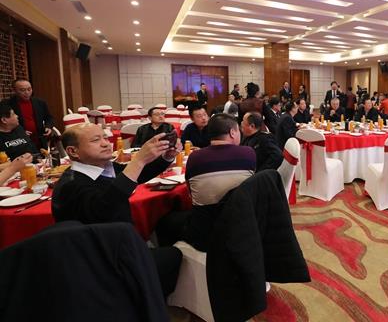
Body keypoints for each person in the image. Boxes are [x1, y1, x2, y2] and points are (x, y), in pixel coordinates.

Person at [52, 123, 183, 296]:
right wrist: (139, 160)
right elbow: (106, 207)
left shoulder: (104, 168)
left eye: (105, 138)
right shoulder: (71, 184)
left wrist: (166, 157)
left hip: (118, 244)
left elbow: (138, 174)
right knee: (174, 255)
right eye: (96, 140)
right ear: (73, 151)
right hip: (102, 258)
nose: (106, 143)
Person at [184, 113, 256, 252]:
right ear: (232, 132)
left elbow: (190, 194)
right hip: (240, 228)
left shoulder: (194, 158)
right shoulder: (248, 153)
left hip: (205, 234)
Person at [1, 79, 54, 150]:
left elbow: (49, 118)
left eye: (29, 89)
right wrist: (20, 132)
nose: (27, 92)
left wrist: (48, 127)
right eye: (22, 90)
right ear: (14, 91)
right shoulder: (6, 104)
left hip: (40, 139)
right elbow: (4, 125)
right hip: (20, 142)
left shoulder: (40, 102)